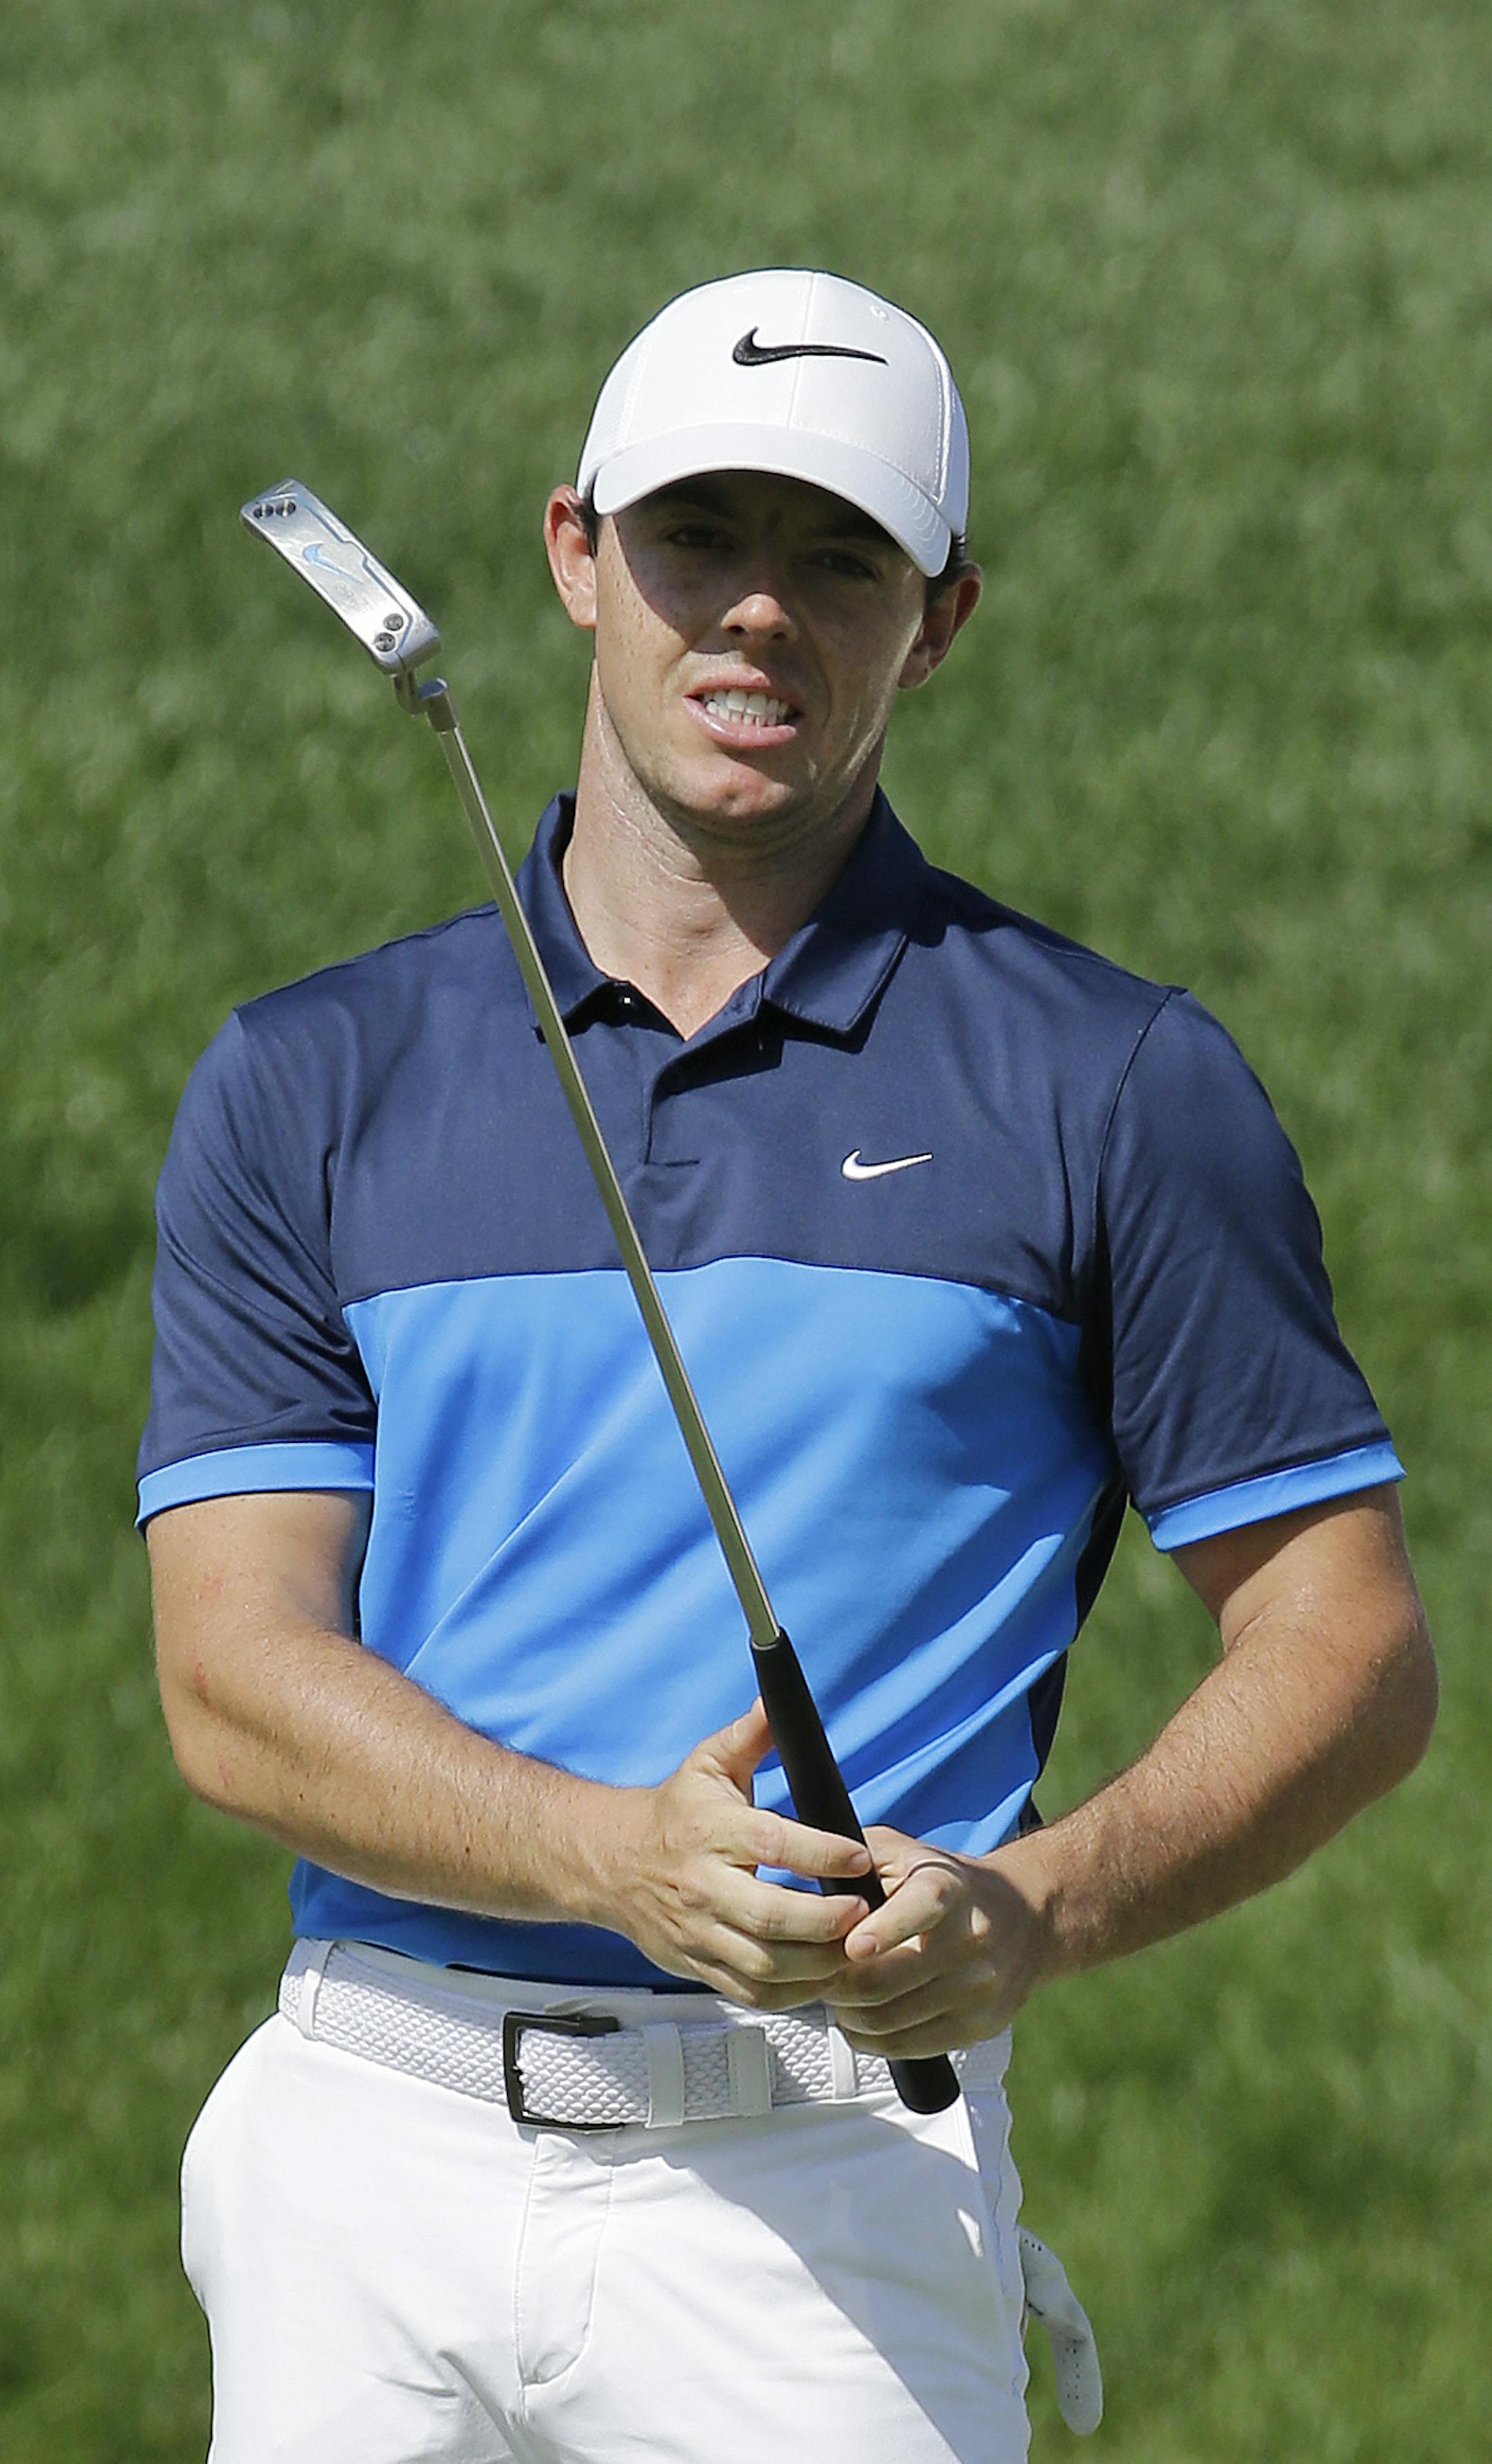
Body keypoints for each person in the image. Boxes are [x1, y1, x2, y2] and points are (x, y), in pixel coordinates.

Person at [140, 269, 1436, 2464]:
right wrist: (601, 1858)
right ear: (577, 554)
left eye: (840, 557)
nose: (759, 609)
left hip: (829, 2179)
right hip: (368, 2164)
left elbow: (1350, 1644)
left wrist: (1034, 1910)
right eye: (699, 536)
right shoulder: (310, 1079)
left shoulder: (1114, 1084)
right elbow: (231, 1678)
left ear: (937, 622)